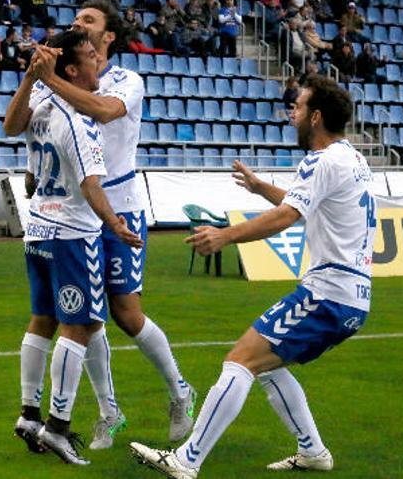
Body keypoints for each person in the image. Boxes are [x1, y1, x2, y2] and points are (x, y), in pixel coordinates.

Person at [130, 75, 375, 477]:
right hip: (353, 297)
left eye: (297, 107)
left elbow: (289, 215)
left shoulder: (322, 159)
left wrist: (225, 235)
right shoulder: (352, 158)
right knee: (269, 364)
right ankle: (313, 451)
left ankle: (185, 461)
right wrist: (263, 188)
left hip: (328, 293)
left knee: (240, 360)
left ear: (315, 117)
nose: (291, 114)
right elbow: (308, 203)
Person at [5, 0, 197, 451]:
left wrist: (50, 79)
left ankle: (180, 391)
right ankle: (109, 411)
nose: (78, 23)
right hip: (74, 212)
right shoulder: (60, 76)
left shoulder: (126, 79)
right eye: (75, 19)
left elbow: (104, 111)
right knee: (85, 319)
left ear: (108, 36)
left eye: (89, 20)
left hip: (120, 204)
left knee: (126, 314)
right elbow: (25, 128)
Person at [14, 30, 144, 466]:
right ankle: (58, 427)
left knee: (42, 320)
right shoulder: (77, 118)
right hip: (73, 234)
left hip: (38, 233)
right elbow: (91, 184)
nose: (98, 65)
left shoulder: (45, 108)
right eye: (91, 57)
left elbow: (12, 127)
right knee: (81, 326)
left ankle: (28, 415)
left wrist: (32, 80)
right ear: (71, 69)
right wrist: (115, 224)